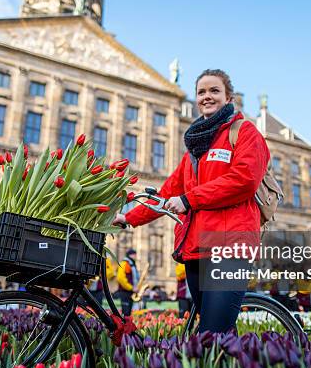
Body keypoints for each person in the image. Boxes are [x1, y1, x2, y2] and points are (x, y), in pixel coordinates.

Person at [113, 69, 270, 333]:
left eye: (214, 91)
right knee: (214, 333)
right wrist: (128, 218)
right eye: (201, 92)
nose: (207, 96)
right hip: (196, 249)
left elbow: (244, 180)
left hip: (229, 246)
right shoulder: (195, 150)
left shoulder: (244, 133)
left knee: (212, 332)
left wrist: (188, 199)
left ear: (228, 97)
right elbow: (164, 195)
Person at [115, 249, 138, 317]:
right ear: (131, 255)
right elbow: (120, 278)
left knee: (128, 313)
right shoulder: (124, 263)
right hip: (125, 291)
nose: (136, 256)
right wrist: (131, 288)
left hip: (130, 291)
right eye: (135, 255)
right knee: (126, 312)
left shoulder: (131, 264)